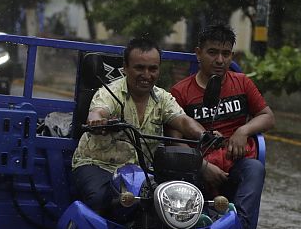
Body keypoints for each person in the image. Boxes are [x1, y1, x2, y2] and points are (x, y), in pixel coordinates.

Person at [71, 37, 210, 216]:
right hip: (99, 164)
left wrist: (204, 134)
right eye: (139, 68)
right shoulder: (109, 92)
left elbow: (182, 120)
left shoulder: (163, 98)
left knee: (178, 200)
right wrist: (97, 121)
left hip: (143, 171)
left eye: (152, 69)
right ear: (126, 68)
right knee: (99, 199)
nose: (146, 75)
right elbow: (98, 111)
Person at [170, 24, 275, 229]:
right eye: (212, 52)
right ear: (198, 53)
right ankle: (194, 224)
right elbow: (173, 142)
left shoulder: (242, 83)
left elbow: (267, 116)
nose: (220, 60)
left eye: (226, 54)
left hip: (236, 163)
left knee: (255, 168)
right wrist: (202, 166)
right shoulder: (181, 92)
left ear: (232, 56)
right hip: (198, 167)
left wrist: (243, 130)